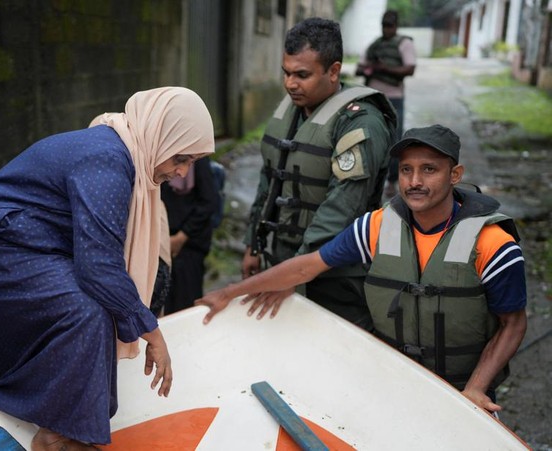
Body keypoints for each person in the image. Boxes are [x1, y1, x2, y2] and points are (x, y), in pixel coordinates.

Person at [0, 86, 215, 450]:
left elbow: (100, 263)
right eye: (180, 157)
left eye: (192, 162)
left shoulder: (127, 149)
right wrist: (151, 331)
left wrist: (136, 316)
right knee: (87, 311)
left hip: (34, 235)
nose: (182, 170)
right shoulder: (108, 161)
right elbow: (98, 268)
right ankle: (56, 436)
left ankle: (71, 429)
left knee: (101, 307)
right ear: (160, 134)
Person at [199, 125, 527, 413]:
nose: (414, 181)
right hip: (393, 386)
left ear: (455, 175)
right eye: (406, 170)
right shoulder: (376, 226)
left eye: (429, 170)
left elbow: (512, 323)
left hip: (462, 393)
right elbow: (306, 268)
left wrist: (476, 388)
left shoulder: (491, 242)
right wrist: (230, 292)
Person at [243, 17, 397, 330]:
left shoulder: (361, 124)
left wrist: (295, 272)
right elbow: (269, 181)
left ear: (334, 71)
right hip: (283, 258)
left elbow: (342, 208)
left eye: (302, 75)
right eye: (286, 73)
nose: (290, 84)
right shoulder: (291, 111)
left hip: (337, 274)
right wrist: (253, 244)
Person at [356, 9, 417, 198]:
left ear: (396, 25)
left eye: (390, 25)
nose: (386, 29)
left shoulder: (404, 44)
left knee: (394, 140)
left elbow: (410, 69)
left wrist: (385, 68)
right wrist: (368, 69)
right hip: (373, 96)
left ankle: (391, 181)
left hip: (394, 97)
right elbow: (359, 67)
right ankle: (371, 179)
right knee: (370, 138)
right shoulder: (375, 45)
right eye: (384, 25)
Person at [160, 156, 220, 314]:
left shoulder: (196, 158)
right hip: (162, 241)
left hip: (190, 245)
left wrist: (182, 236)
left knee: (185, 305)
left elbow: (209, 201)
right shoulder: (160, 155)